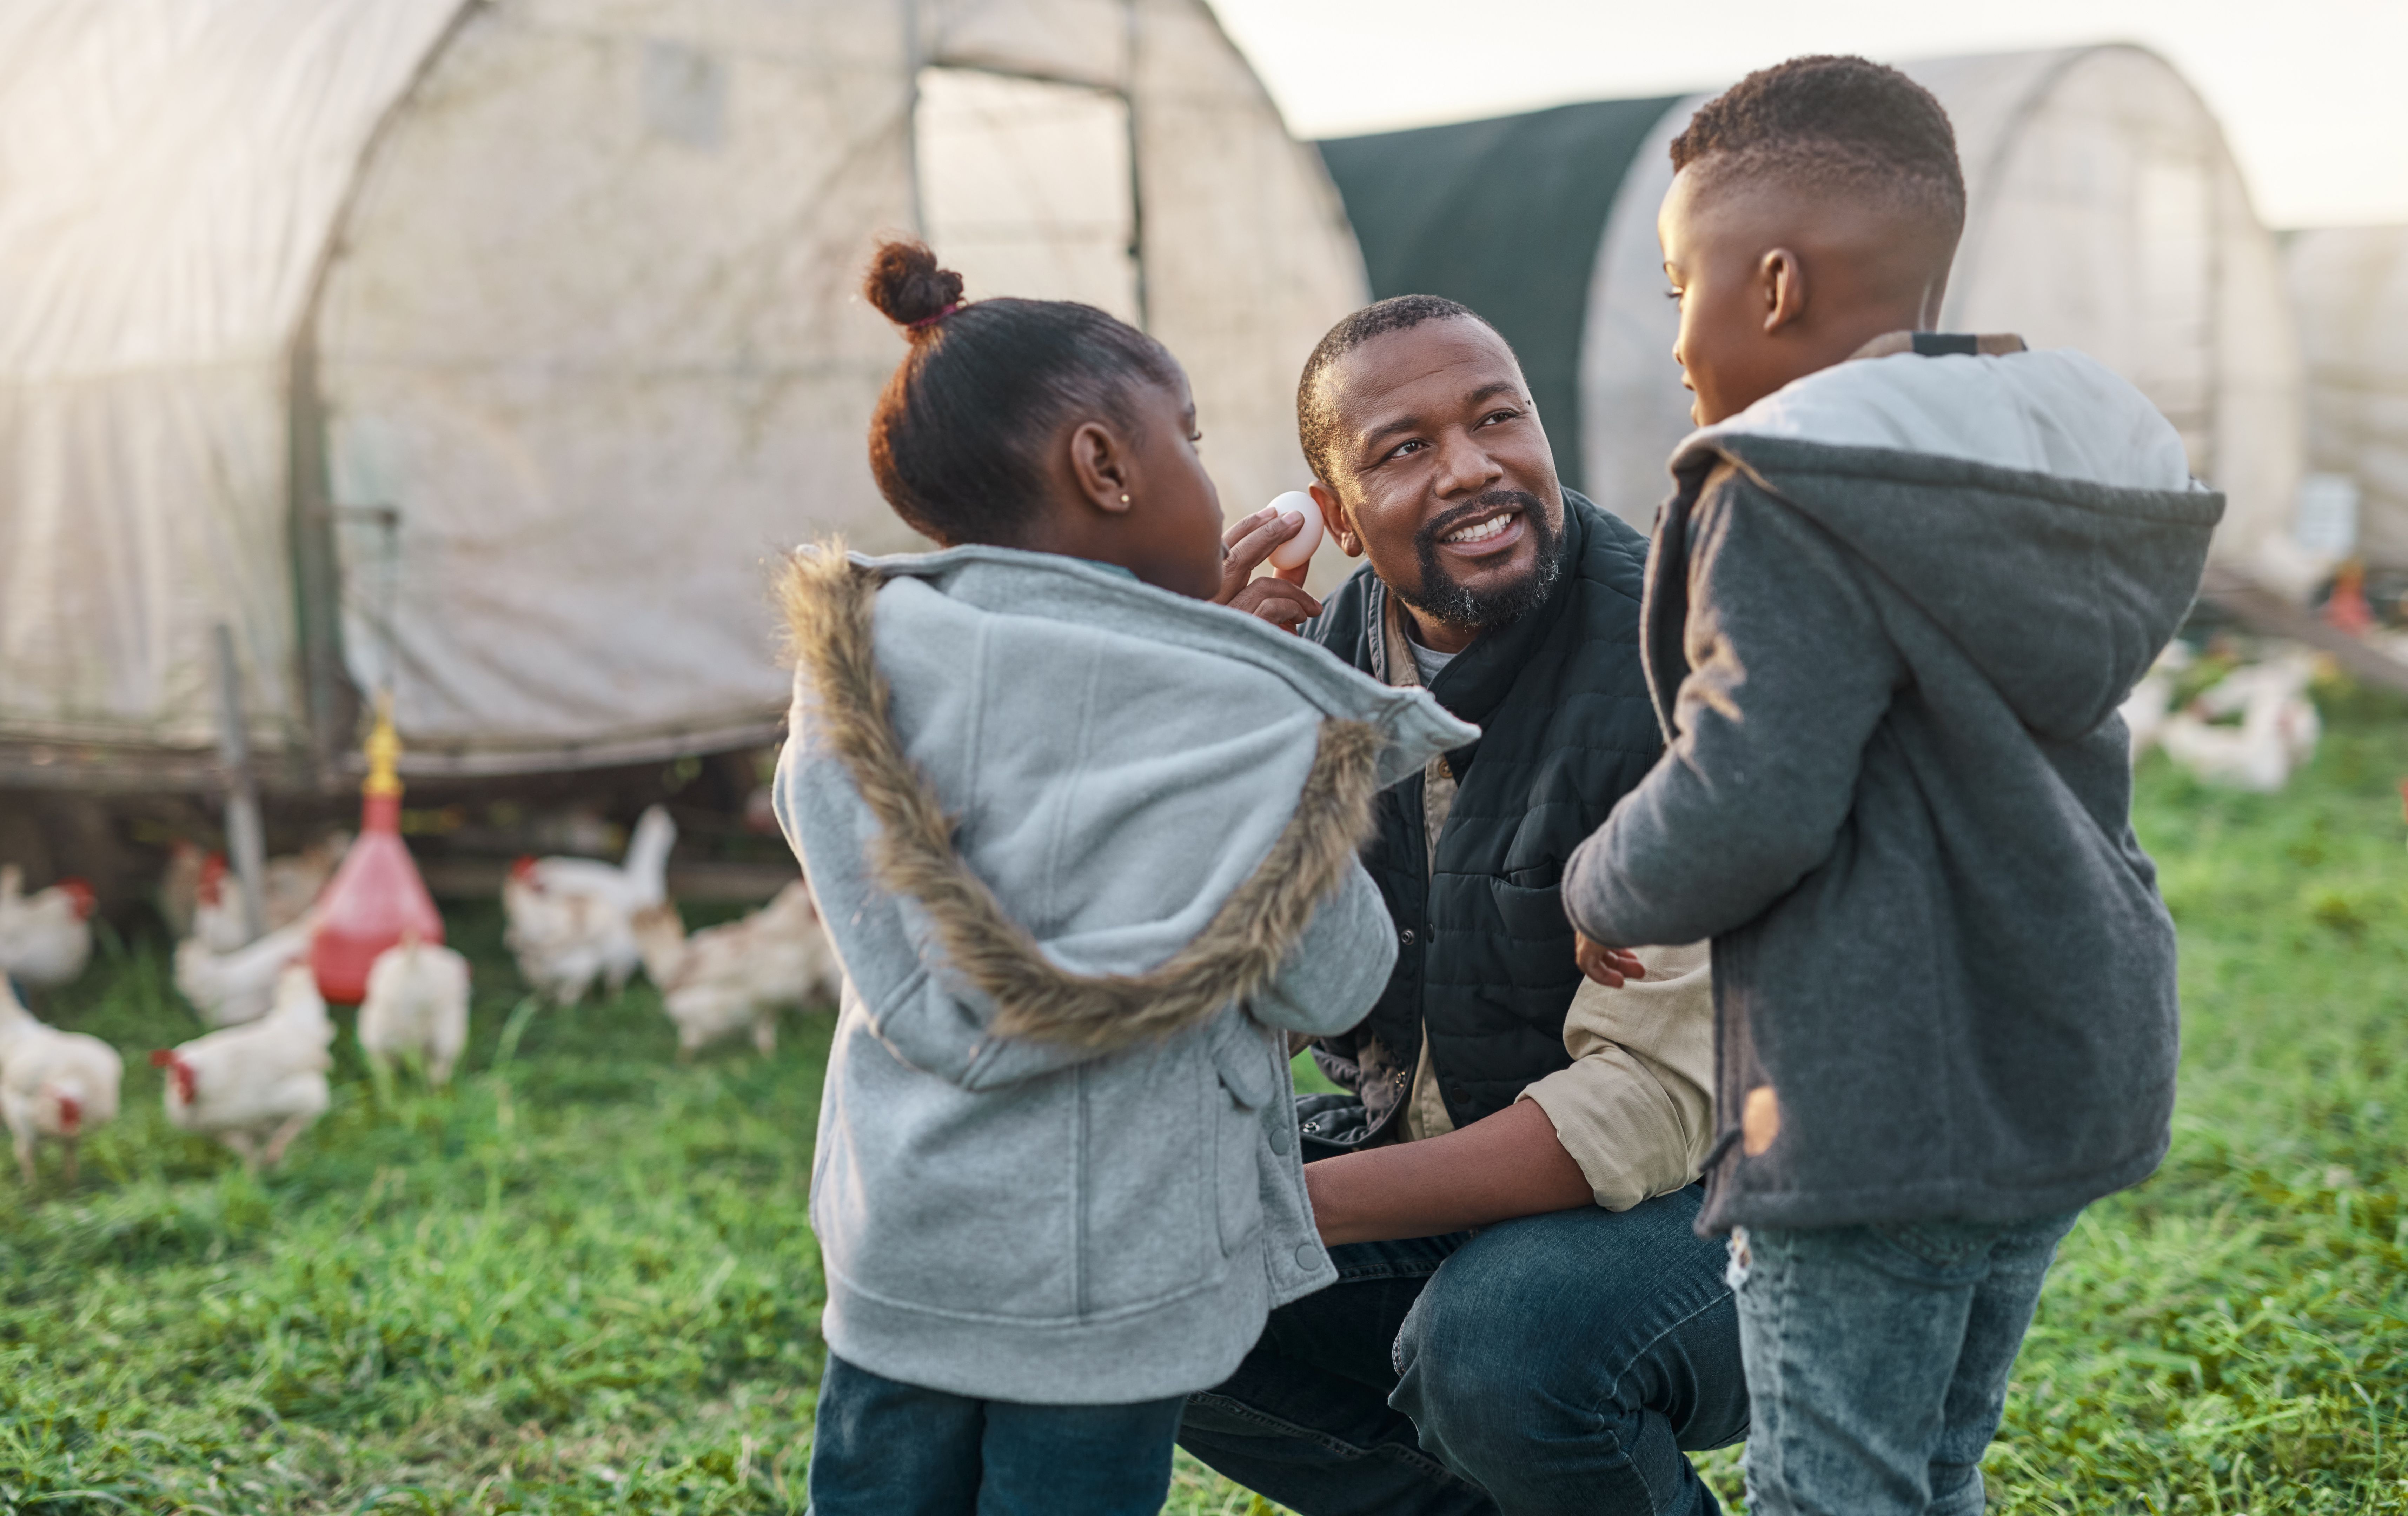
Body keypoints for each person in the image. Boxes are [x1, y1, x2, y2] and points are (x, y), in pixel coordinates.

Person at [1560, 56, 2223, 1516]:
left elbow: (1754, 786)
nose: (1675, 338)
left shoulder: (1792, 489)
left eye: (1683, 281)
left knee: (1833, 1490)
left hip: (1879, 1092)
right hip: (2067, 1052)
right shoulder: (2042, 474)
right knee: (1929, 1468)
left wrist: (1601, 881)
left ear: (1777, 283)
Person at [773, 242, 1473, 1515]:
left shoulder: (855, 680)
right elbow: (1336, 980)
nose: (1209, 478)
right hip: (1118, 1283)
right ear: (1103, 465)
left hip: (906, 1252)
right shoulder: (1236, 710)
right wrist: (1250, 687)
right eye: (1190, 441)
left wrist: (1184, 641)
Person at [1178, 295, 1749, 1515]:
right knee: (1135, 1272)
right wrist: (1223, 723)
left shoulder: (1682, 660)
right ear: (1332, 517)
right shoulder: (1315, 670)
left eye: (1501, 420)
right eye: (1405, 448)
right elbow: (1220, 999)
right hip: (1440, 1160)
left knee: (1503, 1346)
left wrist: (1275, 1202)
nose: (1474, 468)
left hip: (1737, 1200)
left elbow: (1644, 1112)